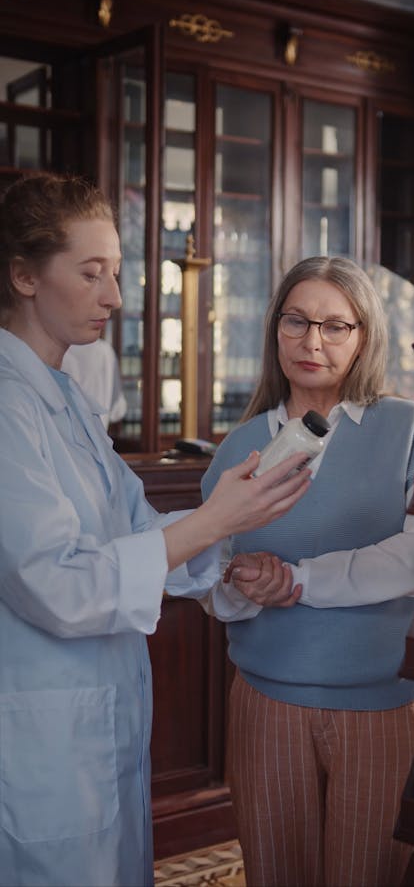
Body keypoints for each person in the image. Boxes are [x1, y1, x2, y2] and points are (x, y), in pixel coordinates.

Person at [0, 172, 311, 887]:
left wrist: (225, 552)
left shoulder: (65, 396)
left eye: (116, 272)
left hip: (95, 718)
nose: (114, 296)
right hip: (42, 731)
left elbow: (135, 530)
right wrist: (211, 521)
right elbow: (55, 582)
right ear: (23, 275)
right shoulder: (8, 406)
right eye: (91, 273)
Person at [200, 256, 414, 887]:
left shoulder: (409, 428)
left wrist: (297, 581)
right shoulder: (240, 447)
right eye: (296, 321)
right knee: (275, 874)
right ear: (275, 330)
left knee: (370, 876)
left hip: (385, 704)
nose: (312, 341)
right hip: (266, 705)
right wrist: (243, 584)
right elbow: (209, 577)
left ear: (363, 336)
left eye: (335, 326)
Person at [62, 338, 127, 429]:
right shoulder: (105, 350)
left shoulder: (59, 350)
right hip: (98, 435)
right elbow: (118, 411)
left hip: (61, 434)